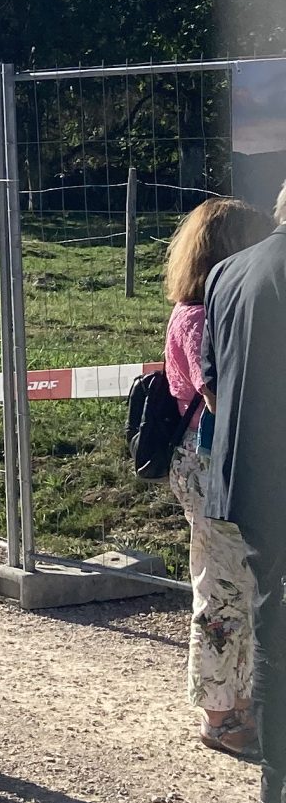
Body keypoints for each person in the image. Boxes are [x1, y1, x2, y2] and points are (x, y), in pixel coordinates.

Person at [162, 198, 267, 759]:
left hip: (202, 460)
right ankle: (221, 715)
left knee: (233, 582)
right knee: (224, 587)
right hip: (215, 462)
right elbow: (219, 394)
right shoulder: (208, 315)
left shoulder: (190, 307)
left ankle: (241, 702)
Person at [199, 184, 286, 803]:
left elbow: (213, 374)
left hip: (249, 478)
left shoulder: (227, 272)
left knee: (271, 615)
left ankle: (277, 774)